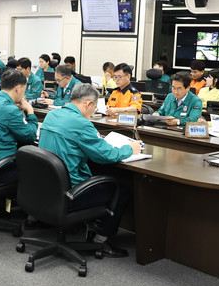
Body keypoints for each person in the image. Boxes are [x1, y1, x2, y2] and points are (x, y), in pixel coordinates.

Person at [38, 83, 143, 257]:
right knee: (122, 189)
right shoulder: (82, 124)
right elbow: (107, 155)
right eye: (94, 108)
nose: (93, 112)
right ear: (88, 104)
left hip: (47, 186)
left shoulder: (52, 115)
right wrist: (130, 149)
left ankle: (87, 224)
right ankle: (101, 239)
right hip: (70, 192)